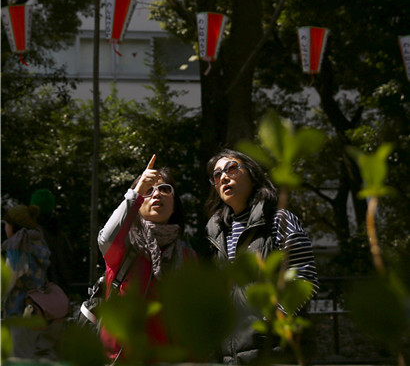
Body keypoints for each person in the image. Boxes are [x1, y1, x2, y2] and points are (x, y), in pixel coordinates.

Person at [205, 149, 319, 365]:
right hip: (231, 355)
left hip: (277, 351)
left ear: (253, 174)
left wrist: (275, 319)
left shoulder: (278, 219)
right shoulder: (217, 232)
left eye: (231, 168)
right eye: (217, 175)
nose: (224, 177)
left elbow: (305, 276)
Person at [97, 154, 196, 362]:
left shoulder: (187, 256)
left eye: (165, 189)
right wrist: (136, 191)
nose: (157, 194)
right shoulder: (124, 247)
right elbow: (105, 238)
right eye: (149, 191)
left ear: (175, 202)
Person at [1, 203, 64, 360]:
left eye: (5, 224)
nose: (4, 228)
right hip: (41, 310)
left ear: (13, 225)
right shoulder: (37, 240)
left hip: (20, 312)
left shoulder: (18, 245)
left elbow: (9, 279)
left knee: (19, 359)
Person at [29, 188, 74, 294]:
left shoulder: (32, 234)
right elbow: (69, 259)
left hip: (41, 294)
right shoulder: (59, 233)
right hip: (60, 291)